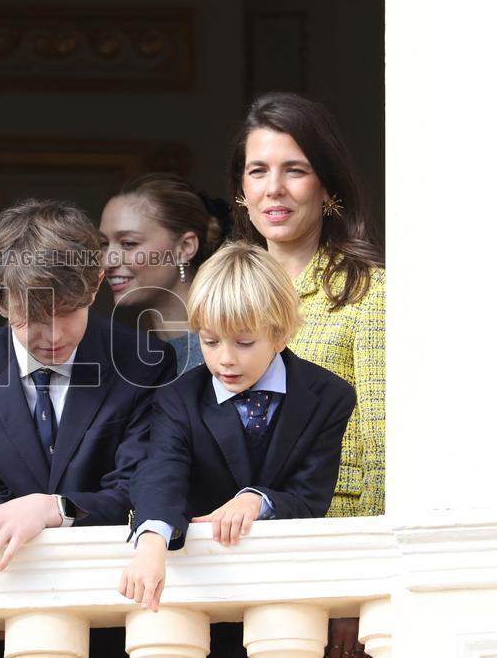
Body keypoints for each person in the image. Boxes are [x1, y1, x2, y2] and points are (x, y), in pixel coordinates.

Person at [0, 198, 175, 657]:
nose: (56, 336)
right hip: (11, 617)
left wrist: (53, 507)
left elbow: (143, 488)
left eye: (71, 312)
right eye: (37, 318)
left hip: (123, 612)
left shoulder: (145, 361)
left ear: (96, 282)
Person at [120, 242, 355, 656]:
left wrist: (257, 499)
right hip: (198, 592)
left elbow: (311, 497)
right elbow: (162, 471)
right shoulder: (178, 398)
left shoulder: (329, 396)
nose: (225, 359)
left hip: (284, 592)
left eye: (244, 343)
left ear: (280, 334)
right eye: (210, 342)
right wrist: (152, 540)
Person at [228, 91, 385, 658]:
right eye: (258, 171)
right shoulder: (223, 290)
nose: (274, 188)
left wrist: (353, 589)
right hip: (229, 558)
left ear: (327, 187)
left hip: (325, 552)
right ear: (241, 190)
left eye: (295, 170)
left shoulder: (368, 294)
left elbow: (380, 450)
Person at [99, 173, 227, 374]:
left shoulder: (228, 357)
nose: (107, 261)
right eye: (104, 244)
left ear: (184, 247)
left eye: (128, 243)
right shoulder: (129, 357)